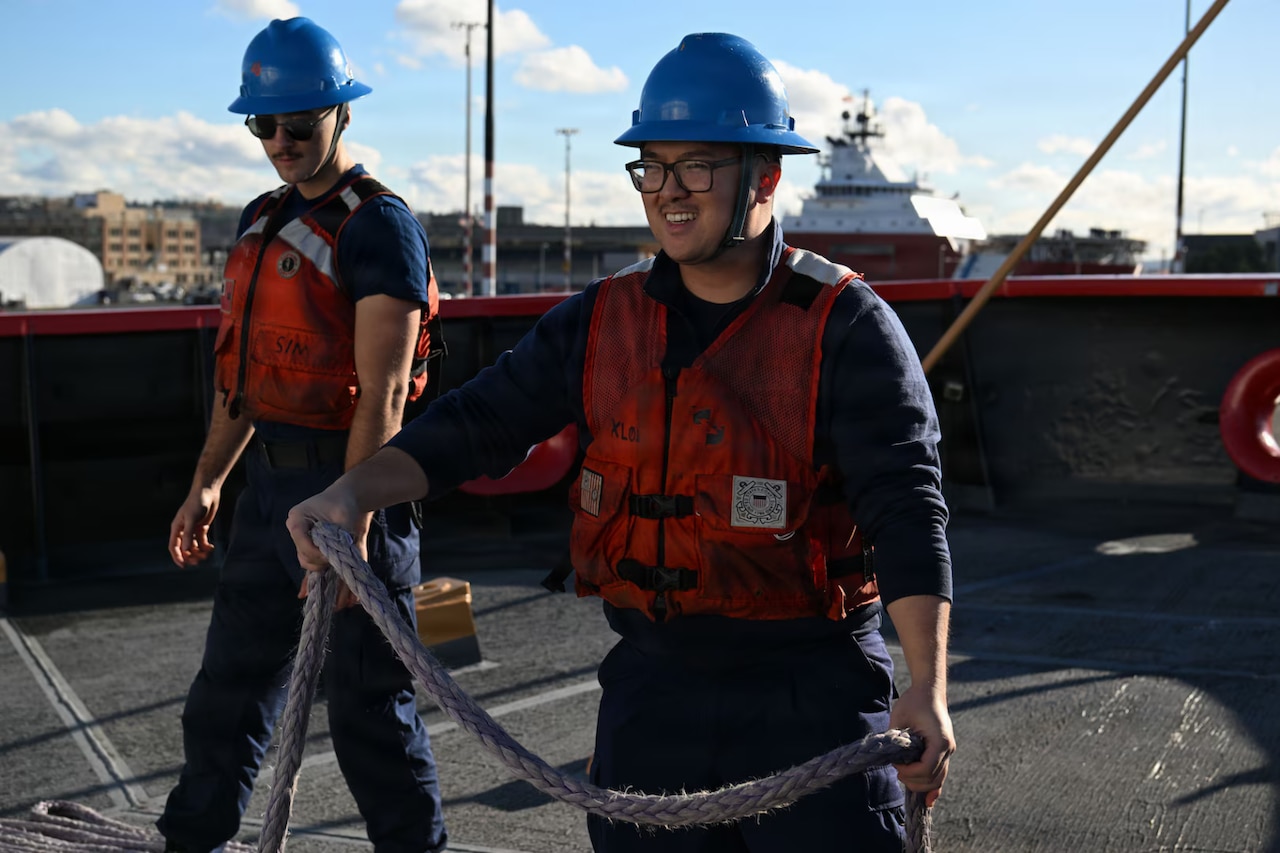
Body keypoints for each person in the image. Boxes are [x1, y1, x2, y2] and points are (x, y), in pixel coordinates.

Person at [287, 31, 953, 853]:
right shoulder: (601, 319)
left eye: (697, 167)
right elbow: (481, 420)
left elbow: (907, 507)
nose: (669, 192)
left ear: (766, 176)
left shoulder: (848, 327)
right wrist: (352, 492)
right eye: (652, 167)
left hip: (811, 694)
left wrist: (927, 685)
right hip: (652, 696)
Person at [159, 17, 447, 853]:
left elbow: (385, 390)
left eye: (299, 124)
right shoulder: (260, 221)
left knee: (370, 718)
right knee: (226, 696)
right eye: (264, 125)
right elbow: (246, 381)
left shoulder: (379, 227)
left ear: (342, 116)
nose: (280, 142)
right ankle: (192, 842)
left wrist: (349, 523)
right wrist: (208, 481)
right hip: (267, 500)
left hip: (352, 490)